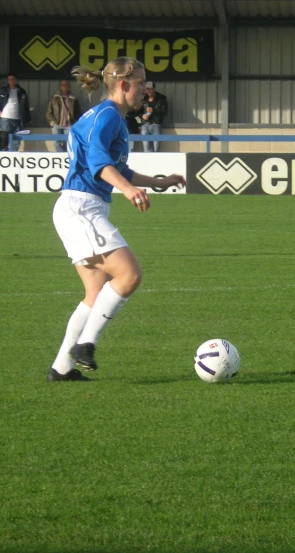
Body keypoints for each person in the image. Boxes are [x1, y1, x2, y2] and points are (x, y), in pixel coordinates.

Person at [47, 57, 186, 382]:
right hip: (82, 207)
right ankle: (86, 345)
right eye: (141, 83)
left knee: (95, 295)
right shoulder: (108, 115)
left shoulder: (111, 119)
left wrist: (157, 181)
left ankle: (62, 368)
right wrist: (127, 189)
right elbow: (98, 161)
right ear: (123, 85)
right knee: (129, 275)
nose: (146, 89)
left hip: (81, 208)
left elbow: (117, 167)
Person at [0, 74, 31, 152]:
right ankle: (4, 157)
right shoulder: (1, 90)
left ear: (16, 80)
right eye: (9, 79)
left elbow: (25, 106)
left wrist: (27, 118)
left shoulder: (21, 91)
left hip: (18, 120)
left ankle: (12, 156)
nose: (11, 81)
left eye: (13, 79)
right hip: (5, 119)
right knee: (4, 140)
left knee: (16, 141)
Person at [46, 79, 82, 152]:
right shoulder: (54, 98)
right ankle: (63, 157)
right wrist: (52, 123)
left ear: (69, 86)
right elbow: (49, 112)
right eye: (63, 85)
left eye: (66, 85)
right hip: (57, 125)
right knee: (56, 144)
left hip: (69, 125)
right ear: (60, 86)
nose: (64, 86)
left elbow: (78, 113)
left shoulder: (73, 98)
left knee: (68, 144)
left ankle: (66, 159)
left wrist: (75, 123)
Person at [140, 81, 168, 152]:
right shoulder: (142, 98)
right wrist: (142, 115)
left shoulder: (161, 99)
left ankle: (155, 163)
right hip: (145, 125)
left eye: (150, 89)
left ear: (154, 89)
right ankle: (148, 163)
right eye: (147, 89)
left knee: (156, 149)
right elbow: (137, 111)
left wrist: (154, 111)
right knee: (146, 149)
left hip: (156, 125)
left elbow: (165, 111)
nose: (149, 91)